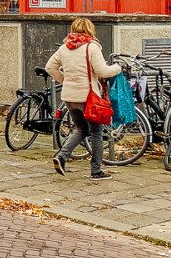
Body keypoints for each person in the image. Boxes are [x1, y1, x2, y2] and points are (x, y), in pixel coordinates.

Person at [46, 17, 121, 180]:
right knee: (96, 132)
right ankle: (96, 171)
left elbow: (50, 67)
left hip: (69, 96)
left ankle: (62, 156)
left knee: (80, 129)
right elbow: (103, 71)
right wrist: (118, 68)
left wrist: (65, 80)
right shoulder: (91, 47)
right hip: (88, 97)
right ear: (90, 30)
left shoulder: (64, 47)